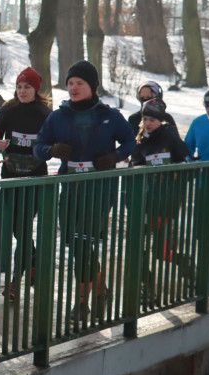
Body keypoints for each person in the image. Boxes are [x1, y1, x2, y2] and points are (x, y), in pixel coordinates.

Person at [34, 60, 136, 323]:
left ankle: (81, 303)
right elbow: (39, 145)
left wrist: (115, 156)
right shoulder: (58, 116)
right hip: (70, 185)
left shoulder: (110, 115)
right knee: (74, 241)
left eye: (80, 83)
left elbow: (129, 141)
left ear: (92, 87)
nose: (74, 88)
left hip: (100, 186)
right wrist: (51, 151)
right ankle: (101, 290)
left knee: (84, 242)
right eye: (70, 83)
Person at [0, 66, 52, 300]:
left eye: (27, 87)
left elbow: (51, 142)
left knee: (24, 225)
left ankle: (16, 280)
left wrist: (45, 150)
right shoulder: (8, 109)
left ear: (36, 89)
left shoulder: (44, 113)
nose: (22, 91)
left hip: (35, 175)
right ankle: (35, 263)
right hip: (10, 173)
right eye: (19, 86)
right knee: (17, 228)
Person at [129, 100, 193, 308]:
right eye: (145, 119)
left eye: (152, 119)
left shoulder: (170, 136)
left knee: (160, 251)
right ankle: (146, 288)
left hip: (166, 203)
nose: (147, 123)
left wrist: (178, 172)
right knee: (139, 249)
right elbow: (134, 168)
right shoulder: (140, 141)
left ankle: (186, 264)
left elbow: (187, 162)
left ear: (161, 120)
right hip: (145, 203)